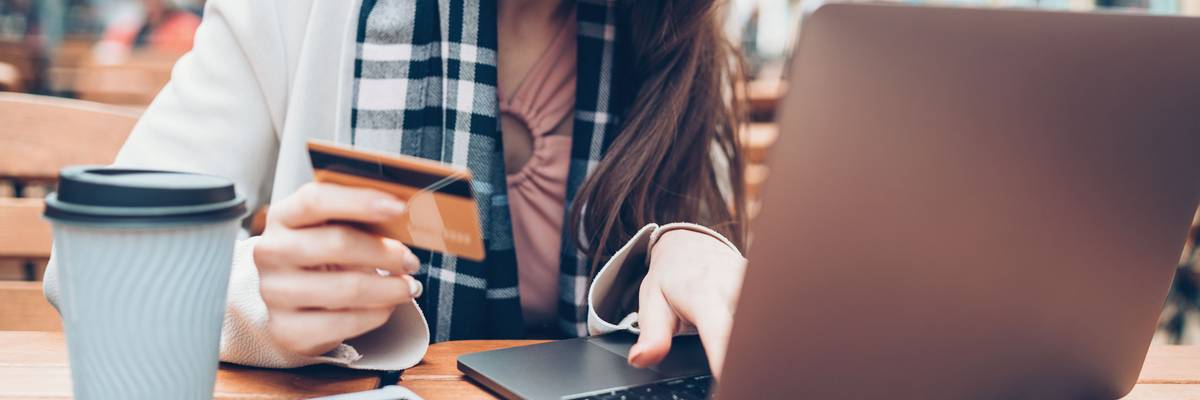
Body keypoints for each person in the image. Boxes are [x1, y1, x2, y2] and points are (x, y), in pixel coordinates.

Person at [44, 0, 751, 377]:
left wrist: (693, 248)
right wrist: (266, 302)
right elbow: (96, 267)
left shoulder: (678, 39)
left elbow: (682, 319)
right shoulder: (293, 12)